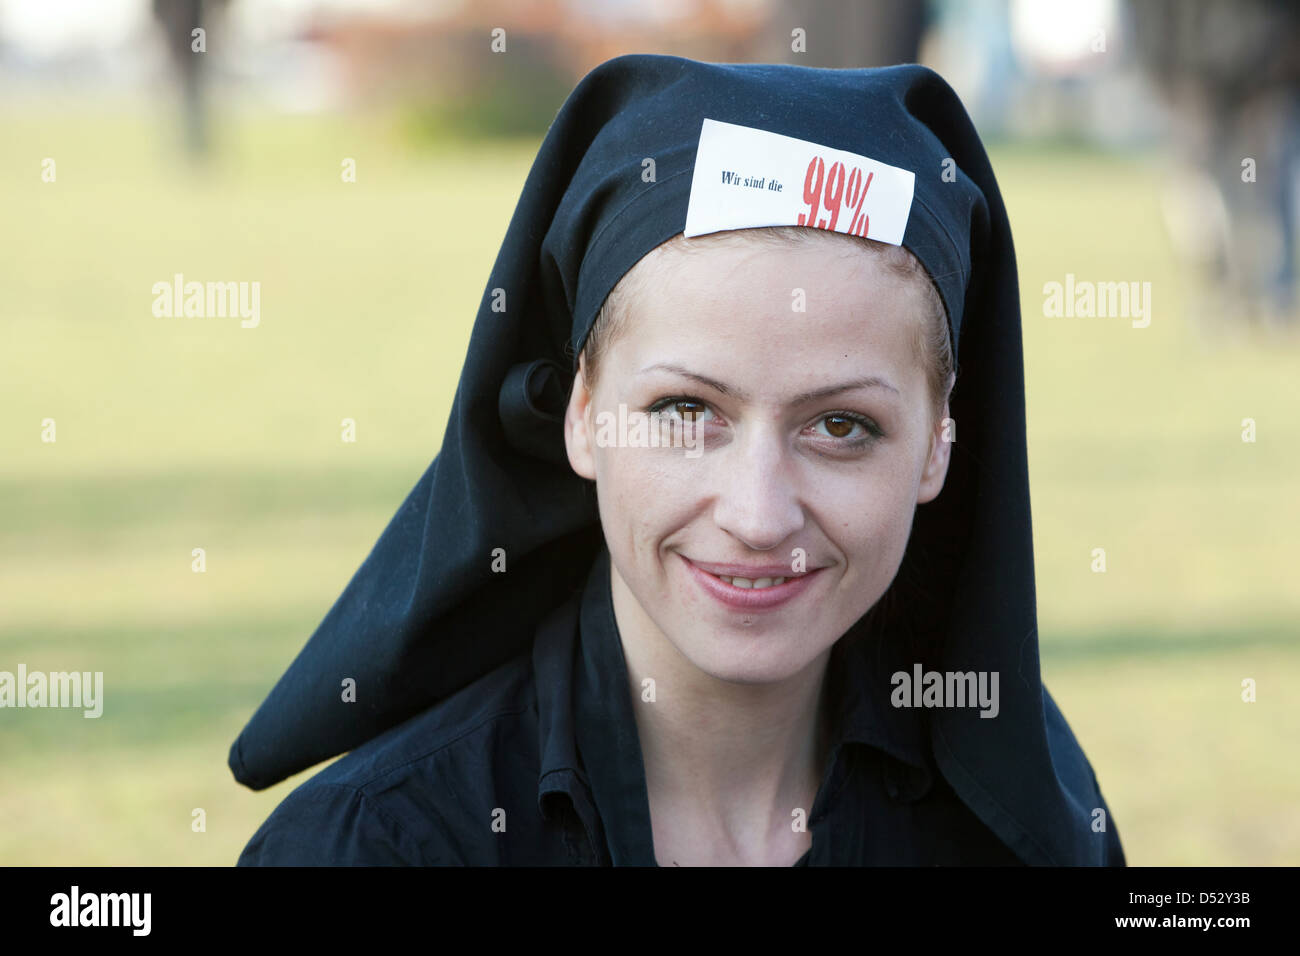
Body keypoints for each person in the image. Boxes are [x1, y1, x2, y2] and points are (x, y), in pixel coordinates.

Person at [231, 53, 1126, 866]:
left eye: (842, 427)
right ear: (581, 415)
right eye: (687, 410)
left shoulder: (1024, 830)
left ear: (939, 444)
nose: (758, 513)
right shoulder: (379, 848)